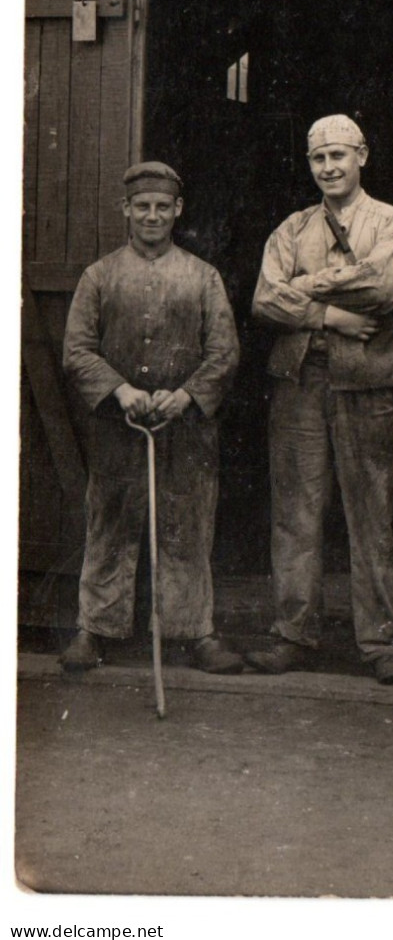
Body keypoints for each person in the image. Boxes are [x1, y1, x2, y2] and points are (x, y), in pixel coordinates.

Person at [248, 115, 393, 684]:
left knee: (371, 515)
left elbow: (384, 286)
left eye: (340, 155)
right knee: (296, 513)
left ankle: (382, 643)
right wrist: (332, 315)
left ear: (363, 155)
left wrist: (307, 284)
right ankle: (294, 634)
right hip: (299, 383)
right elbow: (264, 302)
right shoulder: (291, 229)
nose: (330, 167)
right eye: (319, 159)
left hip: (366, 384)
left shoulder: (392, 222)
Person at [60, 161, 243, 675]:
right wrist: (119, 390)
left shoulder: (203, 277)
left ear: (178, 211)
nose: (152, 216)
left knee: (187, 523)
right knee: (110, 521)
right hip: (119, 429)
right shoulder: (99, 276)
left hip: (186, 430)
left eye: (163, 207)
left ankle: (195, 632)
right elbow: (77, 351)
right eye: (142, 207)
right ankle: (94, 629)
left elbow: (225, 353)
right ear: (126, 209)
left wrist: (186, 395)